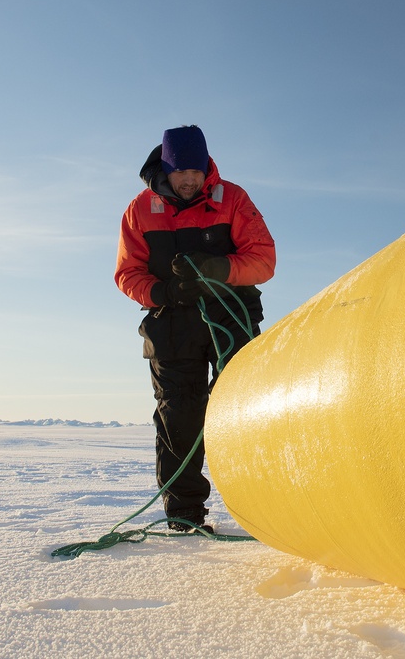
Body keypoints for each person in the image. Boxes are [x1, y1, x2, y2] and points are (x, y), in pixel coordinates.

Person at [114, 125, 276, 532]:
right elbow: (126, 273)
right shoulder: (139, 209)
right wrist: (163, 291)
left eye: (196, 171)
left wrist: (217, 269)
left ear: (207, 168)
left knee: (241, 409)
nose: (188, 180)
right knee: (179, 415)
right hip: (170, 324)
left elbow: (263, 260)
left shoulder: (233, 199)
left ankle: (263, 510)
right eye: (179, 171)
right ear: (165, 169)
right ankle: (185, 517)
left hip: (230, 316)